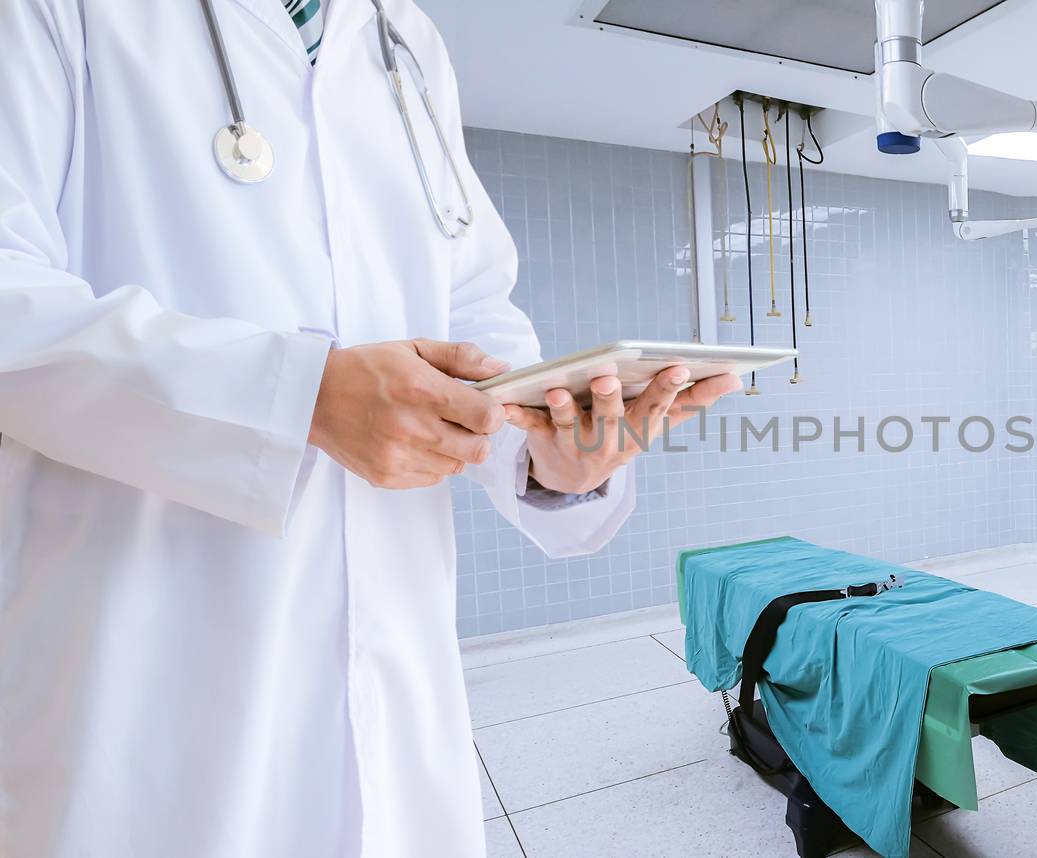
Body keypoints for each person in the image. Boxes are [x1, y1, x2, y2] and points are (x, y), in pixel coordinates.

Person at [0, 1, 740, 855]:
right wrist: (298, 398)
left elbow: (470, 305)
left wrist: (547, 452)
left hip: (394, 657)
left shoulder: (405, 39)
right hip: (141, 670)